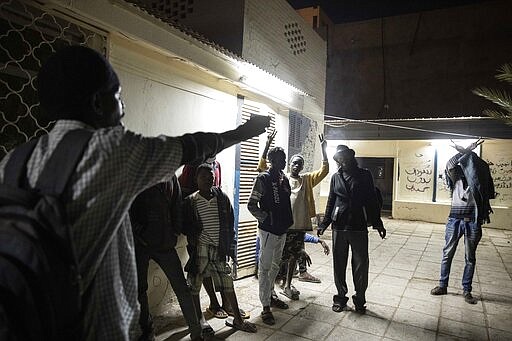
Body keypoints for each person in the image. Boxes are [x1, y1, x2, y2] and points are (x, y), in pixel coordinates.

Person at [0, 45, 270, 340]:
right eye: (118, 97)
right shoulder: (110, 152)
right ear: (97, 103)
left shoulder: (11, 162)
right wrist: (244, 132)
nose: (124, 109)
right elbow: (190, 146)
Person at [183, 164, 256, 334]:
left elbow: (230, 224)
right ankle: (200, 319)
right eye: (203, 177)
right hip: (200, 248)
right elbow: (184, 225)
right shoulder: (190, 202)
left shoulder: (222, 198)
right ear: (196, 180)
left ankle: (238, 320)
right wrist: (194, 235)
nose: (208, 180)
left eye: (211, 177)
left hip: (219, 249)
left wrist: (231, 247)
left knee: (227, 282)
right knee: (194, 284)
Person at [129, 176, 202, 341]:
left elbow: (177, 204)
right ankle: (147, 334)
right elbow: (129, 204)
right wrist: (138, 232)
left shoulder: (171, 177)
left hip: (166, 243)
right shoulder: (142, 173)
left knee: (181, 287)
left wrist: (175, 230)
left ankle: (196, 331)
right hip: (142, 244)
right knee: (140, 290)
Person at [257, 134, 329, 299]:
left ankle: (288, 285)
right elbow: (261, 167)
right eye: (294, 162)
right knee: (278, 258)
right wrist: (267, 145)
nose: (297, 165)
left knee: (294, 256)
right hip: (283, 226)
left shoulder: (307, 179)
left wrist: (324, 151)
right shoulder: (281, 178)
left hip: (299, 225)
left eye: (300, 163)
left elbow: (324, 171)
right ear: (289, 164)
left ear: (303, 167)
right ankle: (272, 289)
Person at [317, 145, 386, 314]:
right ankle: (340, 297)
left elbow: (372, 200)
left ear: (350, 157)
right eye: (339, 159)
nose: (342, 161)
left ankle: (360, 299)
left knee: (361, 265)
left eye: (344, 158)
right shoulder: (336, 177)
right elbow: (331, 201)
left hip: (358, 226)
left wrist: (378, 223)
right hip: (339, 226)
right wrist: (324, 223)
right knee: (339, 264)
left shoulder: (364, 175)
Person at [430, 140, 495, 304]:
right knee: (447, 254)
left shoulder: (480, 183)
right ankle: (442, 285)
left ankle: (467, 290)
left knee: (470, 258)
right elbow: (450, 164)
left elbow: (481, 167)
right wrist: (464, 151)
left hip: (472, 222)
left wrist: (469, 154)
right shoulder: (456, 177)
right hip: (455, 221)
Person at [248, 146, 293, 325]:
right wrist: (267, 219)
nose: (283, 161)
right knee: (265, 268)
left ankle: (270, 296)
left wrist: (284, 223)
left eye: (284, 158)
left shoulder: (284, 179)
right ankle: (265, 306)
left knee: (275, 267)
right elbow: (251, 204)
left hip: (282, 231)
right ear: (272, 160)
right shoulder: (263, 178)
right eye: (280, 158)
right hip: (268, 231)